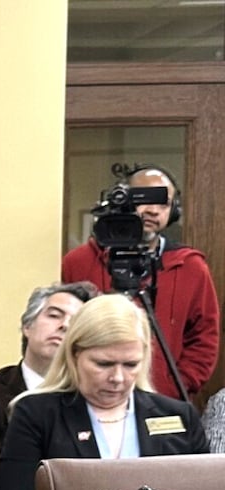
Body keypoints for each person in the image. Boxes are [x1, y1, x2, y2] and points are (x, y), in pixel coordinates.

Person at [0, 293, 208, 490]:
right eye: (103, 364)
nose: (117, 377)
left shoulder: (178, 415)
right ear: (74, 355)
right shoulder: (36, 413)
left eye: (130, 364)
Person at [62, 164, 220, 401]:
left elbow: (204, 336)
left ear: (174, 211)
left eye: (163, 204)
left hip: (162, 401)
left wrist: (176, 385)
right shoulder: (80, 261)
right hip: (87, 399)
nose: (153, 211)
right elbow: (64, 329)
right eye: (144, 200)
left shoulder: (191, 267)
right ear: (122, 200)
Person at [0, 282, 97, 482]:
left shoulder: (91, 395)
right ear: (27, 326)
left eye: (75, 322)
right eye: (54, 315)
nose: (64, 325)